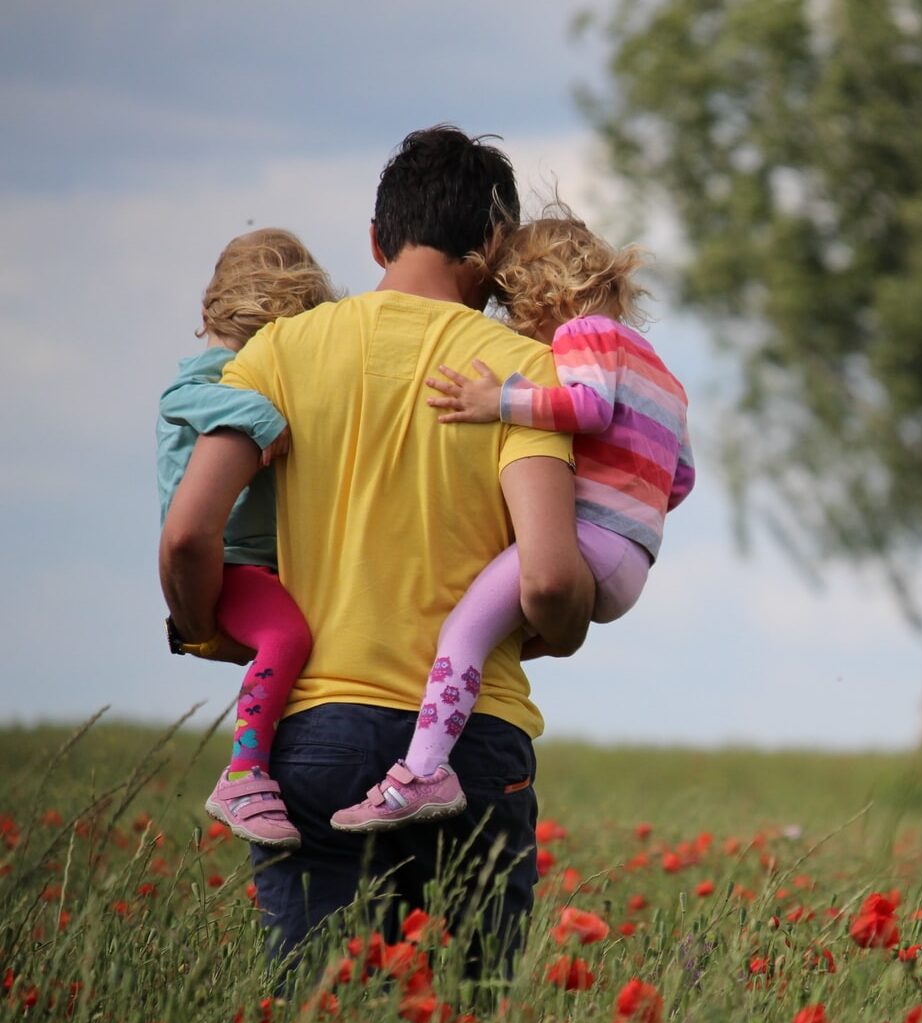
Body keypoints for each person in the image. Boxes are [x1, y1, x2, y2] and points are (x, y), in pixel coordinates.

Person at [159, 126, 595, 978]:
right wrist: (565, 624)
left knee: (321, 1015)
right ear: (496, 246)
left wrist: (204, 623)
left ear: (375, 238)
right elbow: (546, 577)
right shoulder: (523, 374)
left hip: (315, 736)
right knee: (466, 1020)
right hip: (471, 744)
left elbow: (186, 533)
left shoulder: (279, 352)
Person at [331, 209, 694, 832]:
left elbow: (587, 407)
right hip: (633, 558)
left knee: (462, 632)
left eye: (514, 307)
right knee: (495, 635)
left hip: (588, 540)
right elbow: (680, 478)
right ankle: (442, 742)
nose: (516, 326)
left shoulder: (584, 335)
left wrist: (496, 401)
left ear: (543, 293)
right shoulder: (663, 373)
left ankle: (423, 772)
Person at [157, 228, 336, 848]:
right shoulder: (215, 375)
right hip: (230, 562)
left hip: (259, 563)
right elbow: (181, 397)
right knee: (287, 636)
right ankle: (244, 773)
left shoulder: (243, 368)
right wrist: (261, 416)